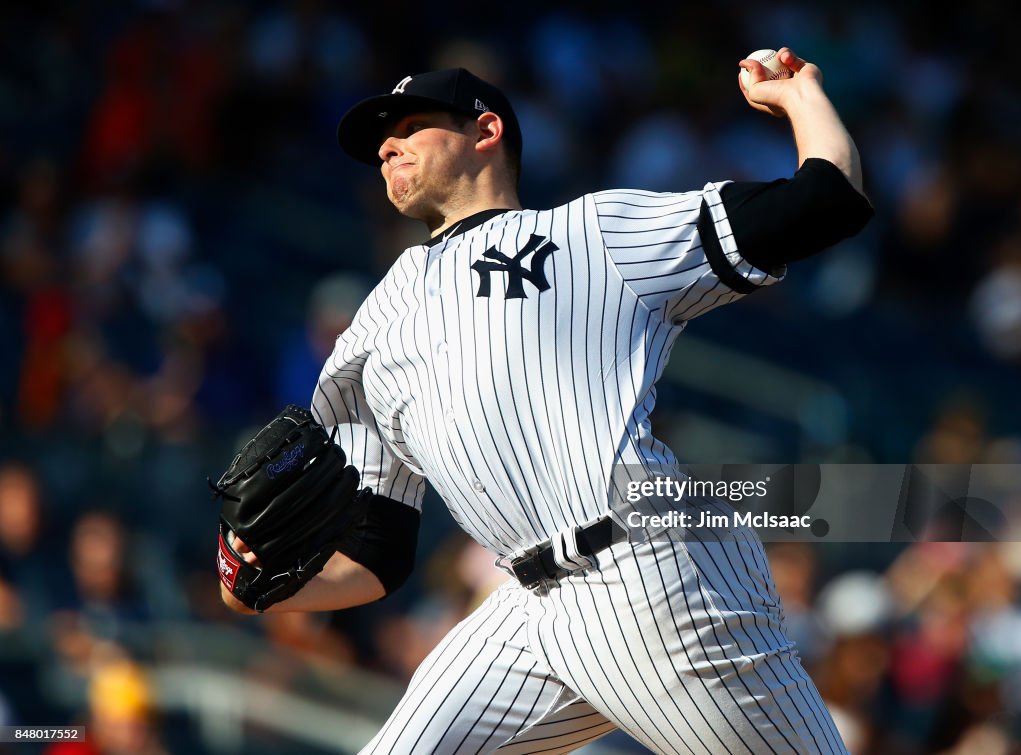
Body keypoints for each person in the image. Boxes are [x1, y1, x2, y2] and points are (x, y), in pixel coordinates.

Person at [223, 49, 872, 753]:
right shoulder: (372, 327)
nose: (386, 145)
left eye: (410, 124)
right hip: (526, 609)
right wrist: (258, 581)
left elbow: (824, 201)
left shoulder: (592, 235)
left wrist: (801, 96)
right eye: (381, 138)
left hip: (650, 570)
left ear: (486, 131)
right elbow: (379, 551)